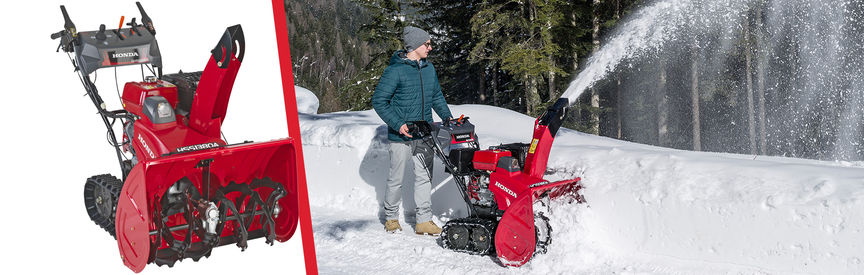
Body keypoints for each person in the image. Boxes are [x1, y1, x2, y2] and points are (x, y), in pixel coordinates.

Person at [372, 26, 453, 235]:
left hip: (424, 132)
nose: (430, 47)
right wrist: (398, 123)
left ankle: (423, 220)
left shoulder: (429, 69)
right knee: (396, 178)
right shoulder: (395, 70)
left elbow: (436, 96)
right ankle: (391, 217)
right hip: (401, 135)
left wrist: (447, 117)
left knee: (424, 176)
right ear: (415, 45)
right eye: (427, 44)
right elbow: (380, 101)